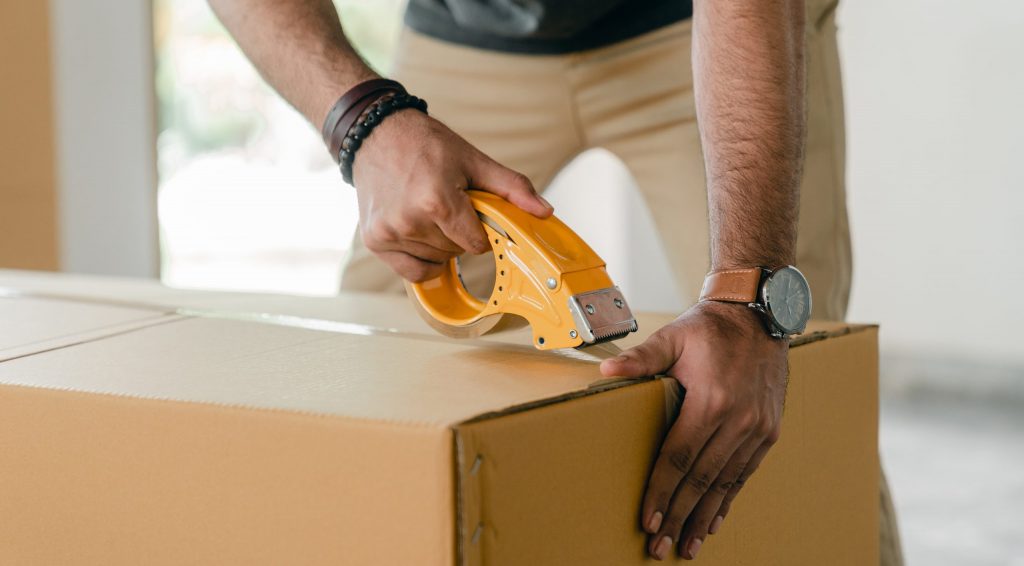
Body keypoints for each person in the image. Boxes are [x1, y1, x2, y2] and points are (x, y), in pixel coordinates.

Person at [210, 0, 902, 562]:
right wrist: (364, 120)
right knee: (380, 346)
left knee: (782, 382)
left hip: (696, 26)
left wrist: (748, 302)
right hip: (468, 38)